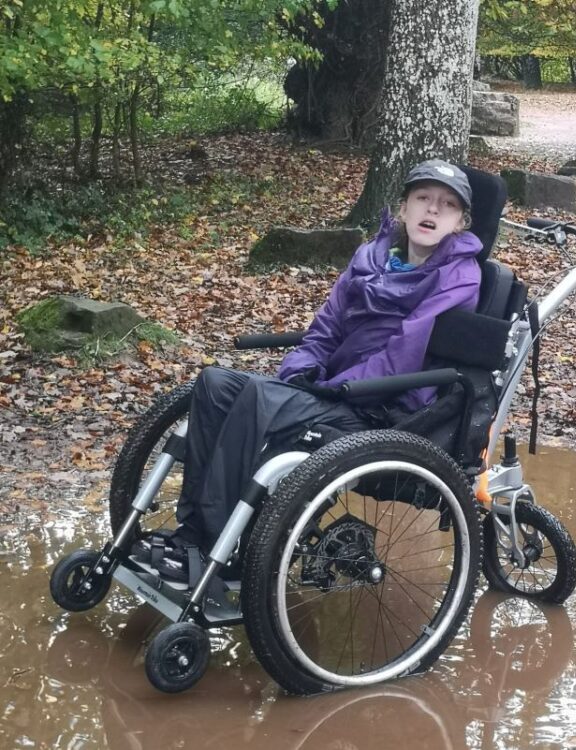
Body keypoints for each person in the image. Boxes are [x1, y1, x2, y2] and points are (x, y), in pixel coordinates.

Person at [139, 159, 484, 581]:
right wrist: (301, 369)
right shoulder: (370, 257)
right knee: (215, 384)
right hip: (334, 391)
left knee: (259, 398)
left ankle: (212, 547)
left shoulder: (459, 276)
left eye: (446, 205)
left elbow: (404, 353)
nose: (432, 211)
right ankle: (193, 532)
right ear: (404, 207)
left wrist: (332, 388)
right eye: (423, 199)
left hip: (382, 406)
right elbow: (327, 326)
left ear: (460, 222)